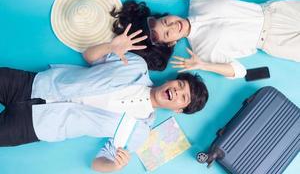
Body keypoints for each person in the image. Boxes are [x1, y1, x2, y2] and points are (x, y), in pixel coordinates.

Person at [0, 46, 208, 172]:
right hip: (34, 84)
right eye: (180, 86)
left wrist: (115, 166)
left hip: (37, 126)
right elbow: (89, 56)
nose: (176, 92)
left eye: (183, 98)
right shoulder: (136, 66)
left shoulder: (139, 132)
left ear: (179, 110)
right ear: (173, 80)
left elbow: (97, 163)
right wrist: (111, 45)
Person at [142, 0, 300, 79]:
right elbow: (239, 71)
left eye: (165, 22)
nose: (173, 26)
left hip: (277, 13)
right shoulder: (201, 52)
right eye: (168, 34)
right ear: (171, 43)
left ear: (166, 15)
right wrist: (203, 65)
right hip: (274, 42)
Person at [84, 0, 174, 71]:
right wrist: (111, 47)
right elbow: (88, 56)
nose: (172, 27)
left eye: (167, 33)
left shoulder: (135, 62)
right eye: (165, 22)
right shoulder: (124, 49)